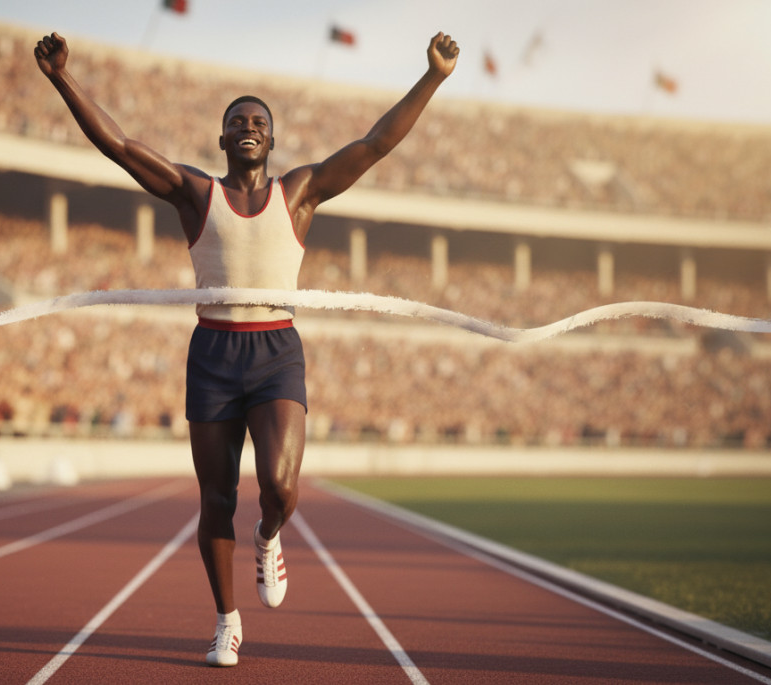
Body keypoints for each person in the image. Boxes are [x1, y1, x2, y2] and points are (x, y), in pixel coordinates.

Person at [34, 29, 460, 667]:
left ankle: (269, 537)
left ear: (271, 137)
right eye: (238, 120)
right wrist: (62, 77)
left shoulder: (300, 192)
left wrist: (433, 77)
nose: (249, 126)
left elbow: (375, 144)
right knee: (216, 500)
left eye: (259, 119)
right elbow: (120, 148)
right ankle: (227, 620)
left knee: (280, 489)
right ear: (224, 139)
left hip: (275, 351)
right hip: (213, 353)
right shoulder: (197, 193)